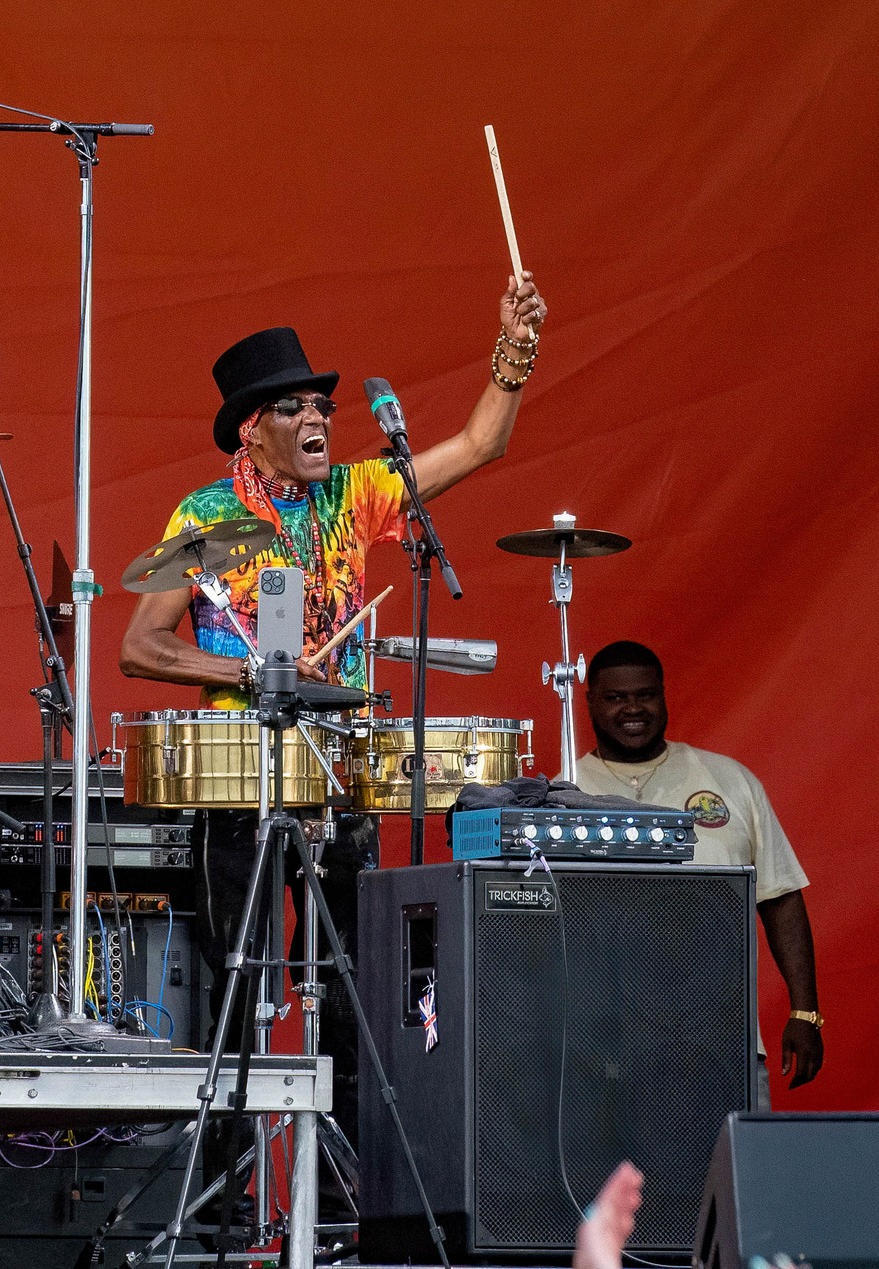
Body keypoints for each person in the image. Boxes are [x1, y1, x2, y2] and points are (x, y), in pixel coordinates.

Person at [118, 273, 548, 1155]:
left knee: (355, 993)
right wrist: (253, 668)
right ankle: (227, 1203)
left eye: (322, 404)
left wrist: (513, 354)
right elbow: (141, 645)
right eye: (296, 408)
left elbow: (476, 446)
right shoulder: (204, 515)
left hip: (338, 779)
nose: (318, 419)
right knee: (232, 996)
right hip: (238, 785)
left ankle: (357, 1200)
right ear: (254, 427)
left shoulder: (353, 497)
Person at [573, 640, 823, 1096]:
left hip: (721, 1045)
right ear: (589, 702)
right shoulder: (561, 795)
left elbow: (781, 897)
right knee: (614, 1172)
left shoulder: (730, 781)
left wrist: (804, 1012)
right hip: (603, 1052)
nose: (633, 709)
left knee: (736, 1168)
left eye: (646, 694)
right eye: (615, 698)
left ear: (664, 695)